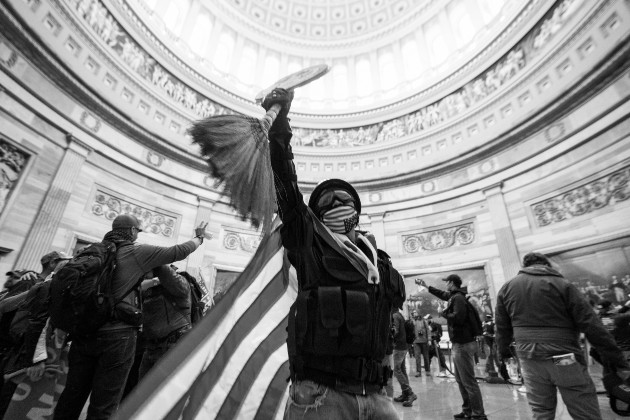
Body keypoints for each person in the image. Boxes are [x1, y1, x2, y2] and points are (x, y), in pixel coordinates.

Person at [263, 88, 404, 419]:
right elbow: (285, 186)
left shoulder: (377, 259)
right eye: (327, 203)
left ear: (357, 211)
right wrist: (279, 126)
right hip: (321, 395)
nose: (338, 206)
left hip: (378, 396)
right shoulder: (308, 246)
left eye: (346, 201)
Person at [53, 215, 208, 420]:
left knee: (71, 397)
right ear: (133, 231)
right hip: (117, 336)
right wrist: (198, 238)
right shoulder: (135, 252)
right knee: (104, 404)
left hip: (84, 332)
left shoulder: (92, 251)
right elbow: (179, 251)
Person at [495, 252, 630, 420]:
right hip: (563, 357)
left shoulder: (507, 288)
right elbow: (592, 325)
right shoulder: (562, 284)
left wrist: (504, 354)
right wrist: (618, 361)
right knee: (584, 410)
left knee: (541, 411)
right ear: (547, 265)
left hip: (529, 360)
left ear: (525, 267)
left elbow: (501, 328)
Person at [417, 275, 488, 420]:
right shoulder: (455, 296)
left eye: (447, 282)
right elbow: (442, 294)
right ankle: (468, 411)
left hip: (463, 344)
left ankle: (478, 414)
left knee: (468, 381)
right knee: (461, 380)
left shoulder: (458, 298)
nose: (446, 285)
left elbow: (458, 317)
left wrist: (443, 312)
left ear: (452, 283)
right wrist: (426, 286)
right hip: (459, 344)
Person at [138, 265, 192, 379]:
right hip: (151, 347)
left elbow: (182, 288)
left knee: (162, 390)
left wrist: (158, 262)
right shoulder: (150, 288)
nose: (145, 274)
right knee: (143, 391)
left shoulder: (179, 283)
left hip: (173, 344)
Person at [392, 308, 417, 406]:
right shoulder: (399, 315)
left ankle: (410, 393)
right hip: (404, 345)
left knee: (396, 369)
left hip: (398, 346)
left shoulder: (394, 316)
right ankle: (405, 394)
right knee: (402, 370)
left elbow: (395, 331)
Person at [412, 310, 431, 377]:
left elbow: (428, 330)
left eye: (415, 312)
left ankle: (427, 370)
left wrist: (429, 339)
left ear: (418, 313)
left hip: (424, 341)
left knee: (426, 357)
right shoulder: (412, 321)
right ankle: (418, 371)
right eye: (413, 313)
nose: (414, 314)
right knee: (417, 357)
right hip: (416, 342)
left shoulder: (424, 321)